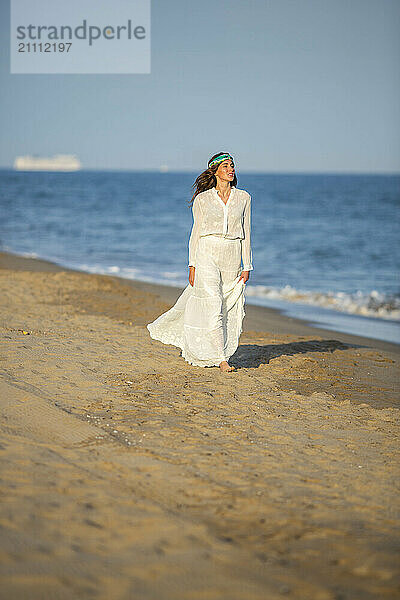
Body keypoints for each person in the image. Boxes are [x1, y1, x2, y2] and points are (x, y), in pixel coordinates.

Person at [146, 152, 253, 372]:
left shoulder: (244, 198)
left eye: (232, 166)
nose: (230, 169)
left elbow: (247, 232)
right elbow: (195, 234)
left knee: (225, 304)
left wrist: (247, 264)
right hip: (207, 252)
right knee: (213, 302)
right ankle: (222, 359)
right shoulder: (203, 200)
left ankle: (212, 348)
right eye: (225, 166)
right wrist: (192, 264)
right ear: (215, 171)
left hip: (232, 254)